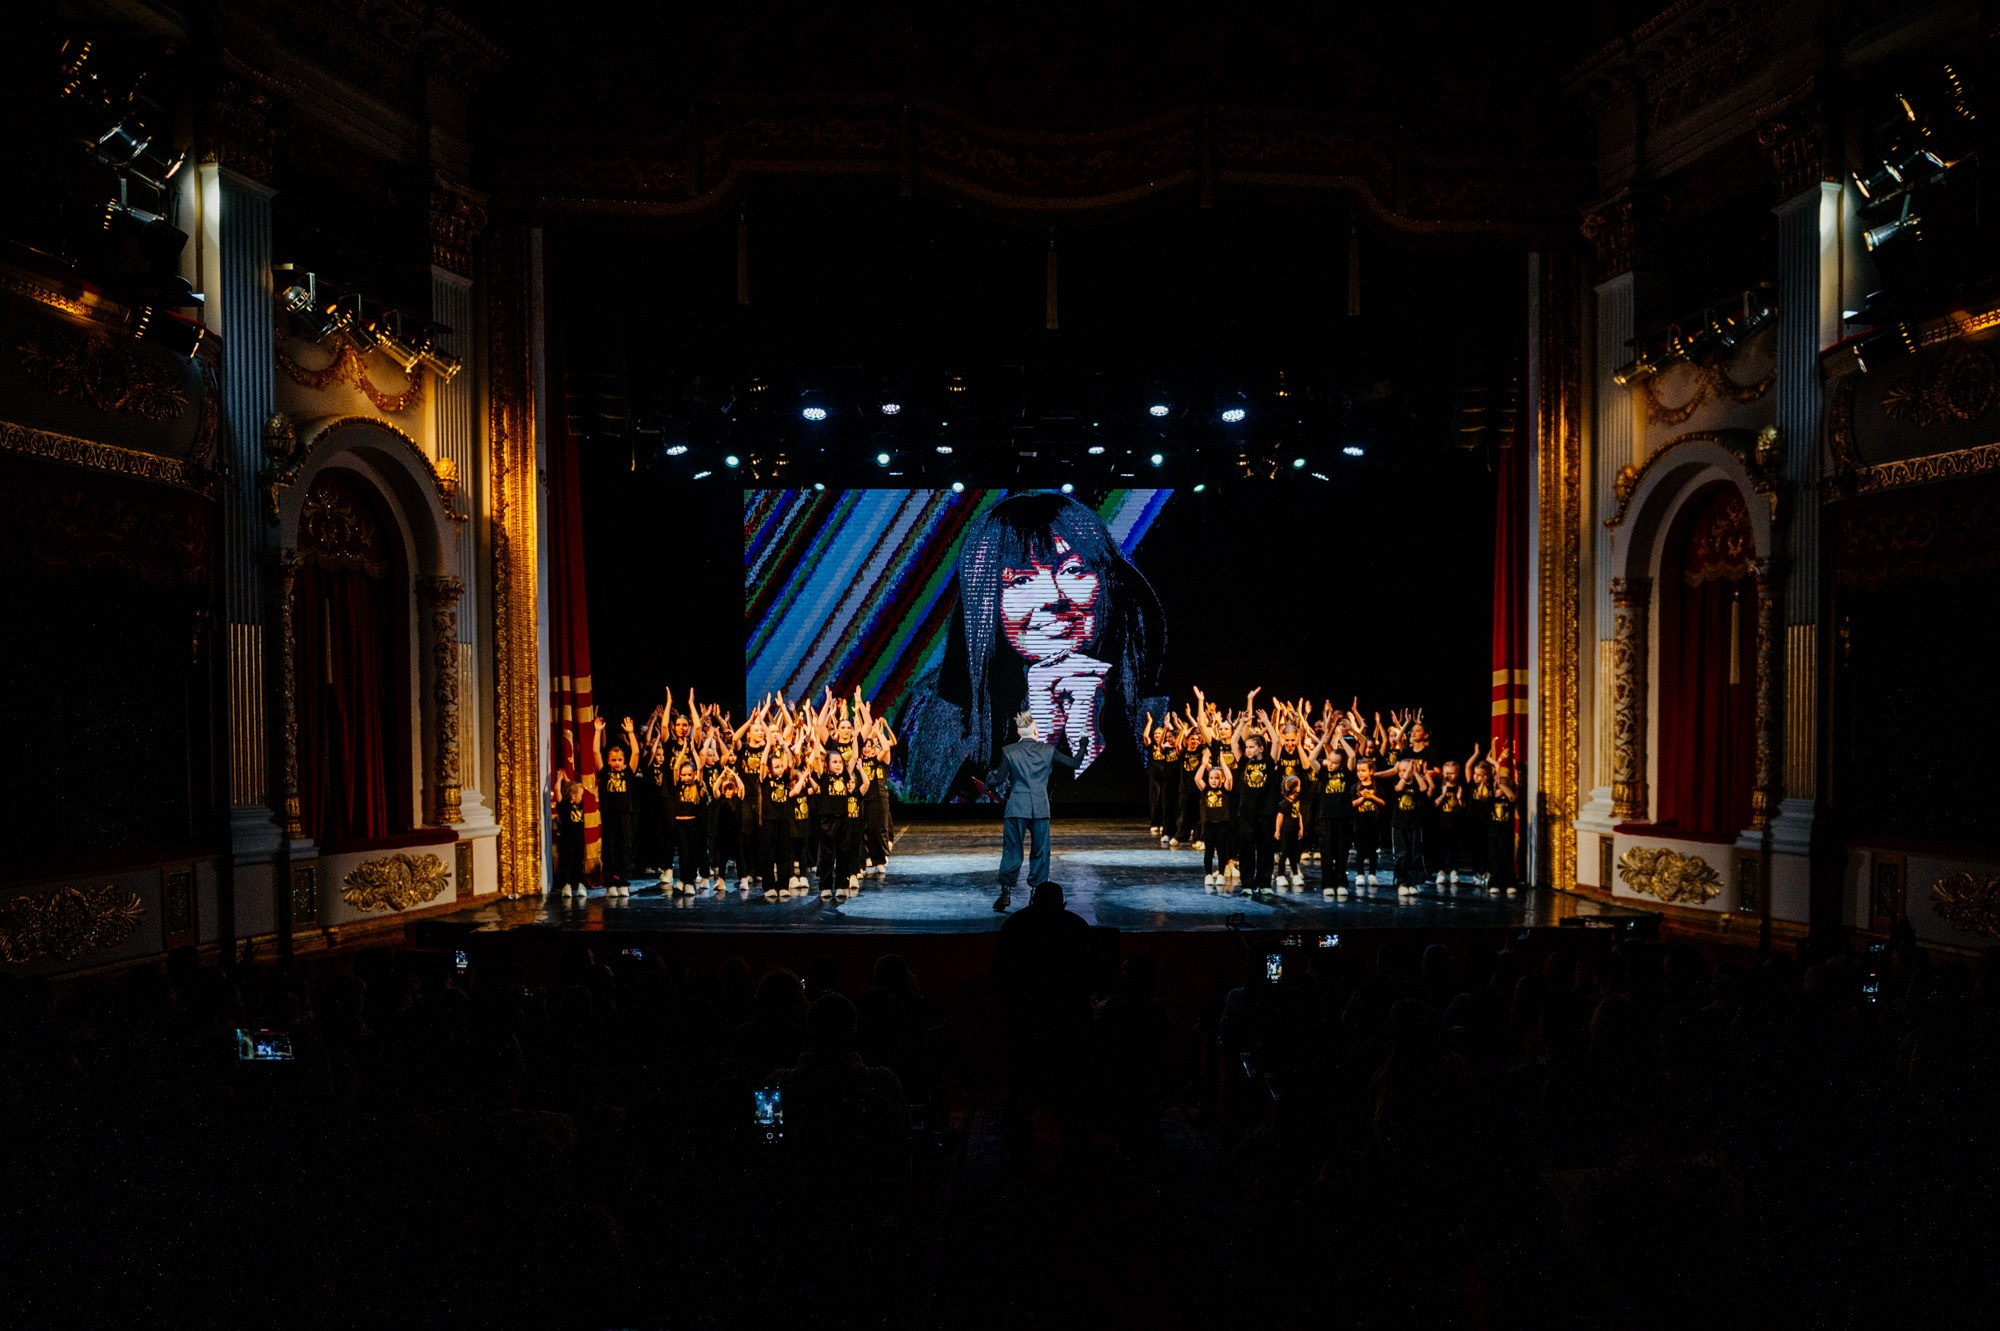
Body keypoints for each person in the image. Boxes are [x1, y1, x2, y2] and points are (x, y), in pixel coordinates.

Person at [898, 491, 1167, 803]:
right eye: (1021, 581)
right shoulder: (929, 710)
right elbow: (922, 797)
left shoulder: (1151, 704)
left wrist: (1089, 734)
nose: (1052, 597)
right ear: (989, 600)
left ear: (1105, 585)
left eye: (1073, 571)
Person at [990, 880, 1094, 1154]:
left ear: (1032, 902)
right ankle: (1075, 1145)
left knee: (1025, 1085)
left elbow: (999, 975)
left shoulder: (1015, 925)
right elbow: (1090, 975)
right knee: (1069, 1086)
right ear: (1063, 904)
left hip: (1025, 1019)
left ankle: (1017, 1148)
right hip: (1067, 1021)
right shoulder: (1076, 926)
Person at [990, 709, 1080, 911]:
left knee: (1012, 850)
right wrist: (1082, 745)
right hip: (1040, 808)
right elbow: (1075, 763)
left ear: (1018, 733)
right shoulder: (1048, 750)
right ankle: (1036, 894)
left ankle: (1006, 892)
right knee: (1040, 852)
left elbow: (997, 778)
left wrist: (988, 782)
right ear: (1036, 732)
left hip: (1016, 807)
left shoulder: (1009, 751)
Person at [592, 716, 636, 897]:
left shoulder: (628, 772)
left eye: (619, 760)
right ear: (609, 761)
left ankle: (623, 880)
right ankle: (610, 881)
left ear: (623, 761)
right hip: (609, 813)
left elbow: (636, 753)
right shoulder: (605, 772)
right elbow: (595, 752)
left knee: (624, 846)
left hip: (625, 813)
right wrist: (597, 731)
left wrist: (631, 733)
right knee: (609, 847)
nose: (616, 763)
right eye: (613, 760)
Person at [551, 772, 587, 900]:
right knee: (567, 863)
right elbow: (557, 791)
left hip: (579, 839)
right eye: (580, 795)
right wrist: (560, 779)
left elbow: (577, 787)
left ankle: (579, 885)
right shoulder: (564, 805)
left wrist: (568, 780)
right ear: (573, 795)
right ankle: (566, 885)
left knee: (578, 863)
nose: (581, 797)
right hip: (567, 840)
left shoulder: (580, 805)